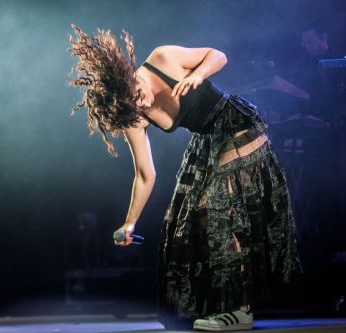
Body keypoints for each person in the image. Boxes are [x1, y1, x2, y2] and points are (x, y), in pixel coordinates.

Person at [68, 24, 302, 332]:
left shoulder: (162, 58)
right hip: (209, 140)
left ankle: (240, 309)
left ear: (129, 77)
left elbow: (218, 56)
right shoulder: (132, 114)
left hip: (237, 123)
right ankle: (223, 303)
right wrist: (129, 223)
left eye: (138, 95)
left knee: (218, 206)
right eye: (133, 106)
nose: (142, 104)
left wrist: (198, 74)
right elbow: (144, 173)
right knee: (187, 221)